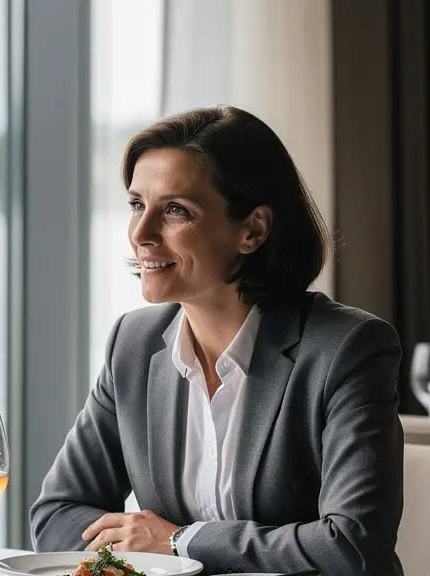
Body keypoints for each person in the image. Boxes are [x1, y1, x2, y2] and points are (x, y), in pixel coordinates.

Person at [30, 106, 404, 575]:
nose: (141, 234)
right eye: (136, 205)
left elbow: (351, 545)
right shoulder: (133, 343)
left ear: (253, 229)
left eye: (174, 210)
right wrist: (146, 555)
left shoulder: (348, 349)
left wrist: (181, 541)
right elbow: (58, 515)